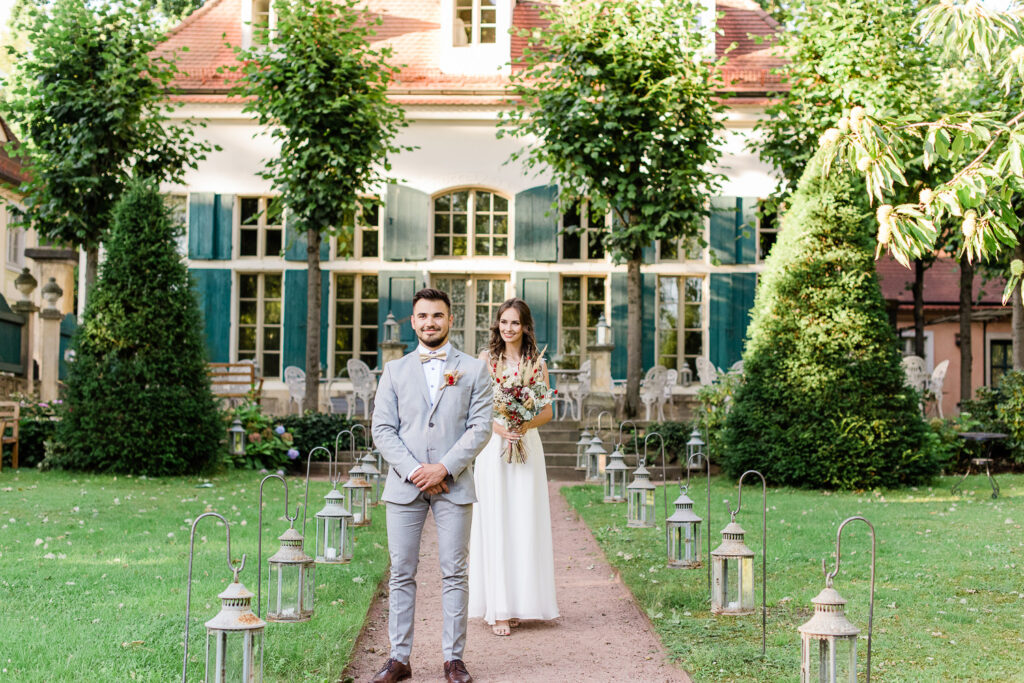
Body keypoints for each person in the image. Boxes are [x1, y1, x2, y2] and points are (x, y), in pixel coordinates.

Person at [371, 288, 493, 683]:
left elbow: (480, 428)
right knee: (401, 572)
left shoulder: (473, 370)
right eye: (422, 316)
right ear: (412, 322)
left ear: (450, 320)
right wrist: (415, 471)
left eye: (437, 315)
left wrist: (443, 468)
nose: (430, 323)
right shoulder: (394, 371)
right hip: (404, 485)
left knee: (454, 572)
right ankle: (398, 658)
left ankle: (453, 659)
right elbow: (382, 429)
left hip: (453, 484)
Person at [468, 297, 559, 637]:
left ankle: (519, 602)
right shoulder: (486, 360)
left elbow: (547, 412)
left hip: (527, 446)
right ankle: (499, 609)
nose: (508, 328)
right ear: (498, 325)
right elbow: (476, 407)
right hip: (494, 447)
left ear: (525, 327)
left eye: (515, 323)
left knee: (523, 521)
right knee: (496, 520)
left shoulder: (537, 364)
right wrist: (501, 428)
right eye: (504, 322)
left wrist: (523, 424)